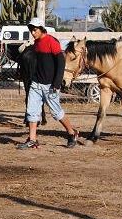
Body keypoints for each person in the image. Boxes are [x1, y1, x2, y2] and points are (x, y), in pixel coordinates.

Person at [16, 17, 79, 150]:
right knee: (32, 112)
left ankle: (72, 133)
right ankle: (32, 139)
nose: (33, 33)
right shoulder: (36, 43)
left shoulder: (51, 41)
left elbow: (60, 62)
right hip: (36, 83)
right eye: (31, 31)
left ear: (41, 29)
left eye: (35, 30)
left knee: (57, 113)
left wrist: (56, 82)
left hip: (49, 85)